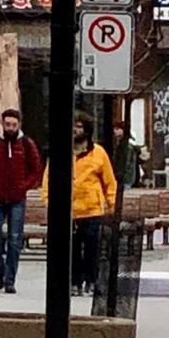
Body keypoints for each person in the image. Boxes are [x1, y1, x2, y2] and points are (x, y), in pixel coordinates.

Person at [44, 115, 117, 291]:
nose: (75, 130)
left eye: (79, 127)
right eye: (73, 126)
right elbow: (48, 178)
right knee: (72, 248)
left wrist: (112, 204)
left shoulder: (98, 152)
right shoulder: (61, 151)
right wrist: (48, 201)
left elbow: (109, 181)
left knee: (92, 247)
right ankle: (74, 282)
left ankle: (91, 280)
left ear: (87, 131)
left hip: (92, 209)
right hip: (68, 210)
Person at [0, 108, 42, 293]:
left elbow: (36, 170)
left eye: (14, 124)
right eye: (7, 124)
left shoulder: (27, 144)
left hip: (17, 199)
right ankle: (0, 270)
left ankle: (9, 280)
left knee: (15, 240)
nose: (10, 128)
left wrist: (25, 186)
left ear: (19, 124)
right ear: (3, 124)